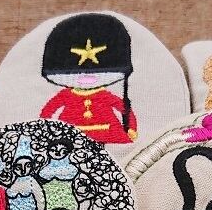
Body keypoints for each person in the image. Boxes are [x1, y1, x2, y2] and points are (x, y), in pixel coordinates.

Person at [39, 13, 138, 144]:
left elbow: (124, 109)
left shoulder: (105, 96)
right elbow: (49, 110)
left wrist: (131, 128)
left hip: (104, 131)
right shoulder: (66, 96)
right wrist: (44, 129)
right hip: (74, 134)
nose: (86, 77)